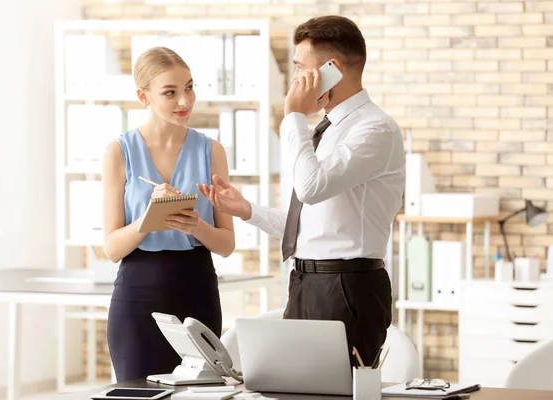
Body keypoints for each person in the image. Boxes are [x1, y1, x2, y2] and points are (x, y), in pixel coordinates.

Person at [198, 15, 405, 367]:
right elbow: (308, 227)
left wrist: (293, 115)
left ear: (331, 69)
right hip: (305, 282)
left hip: (347, 287)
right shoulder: (324, 131)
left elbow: (310, 188)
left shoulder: (375, 129)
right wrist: (247, 209)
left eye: (299, 68)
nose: (295, 80)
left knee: (336, 391)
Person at [102, 46, 235, 382]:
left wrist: (197, 226)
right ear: (143, 96)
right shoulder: (119, 152)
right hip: (137, 295)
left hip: (197, 290)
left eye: (189, 88)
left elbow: (226, 244)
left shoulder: (211, 151)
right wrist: (148, 218)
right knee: (137, 391)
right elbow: (112, 248)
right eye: (170, 92)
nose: (184, 102)